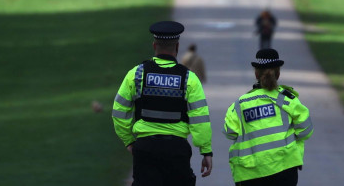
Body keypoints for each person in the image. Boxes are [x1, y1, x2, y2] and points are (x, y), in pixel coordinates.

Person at [113, 21, 213, 185]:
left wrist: (129, 141)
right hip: (176, 151)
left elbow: (119, 112)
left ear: (154, 45)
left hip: (145, 149)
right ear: (177, 47)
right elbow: (200, 119)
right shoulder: (190, 79)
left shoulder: (136, 74)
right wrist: (206, 151)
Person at [222, 48, 313, 185]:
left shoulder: (241, 104)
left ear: (256, 73)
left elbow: (230, 132)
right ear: (278, 73)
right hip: (285, 170)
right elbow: (305, 129)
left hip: (250, 173)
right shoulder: (287, 100)